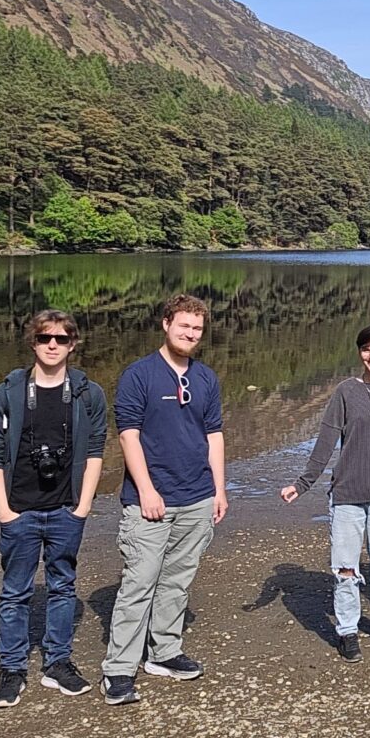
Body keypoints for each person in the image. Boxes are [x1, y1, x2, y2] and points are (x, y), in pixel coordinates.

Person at [101, 294, 228, 705]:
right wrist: (146, 489)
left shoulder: (205, 378)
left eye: (197, 329)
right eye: (184, 325)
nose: (190, 334)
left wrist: (219, 489)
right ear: (166, 324)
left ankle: (164, 652)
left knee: (177, 581)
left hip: (197, 497)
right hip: (150, 501)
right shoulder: (139, 375)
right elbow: (128, 436)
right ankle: (118, 670)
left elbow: (214, 435)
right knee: (139, 582)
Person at [0, 309, 107, 708]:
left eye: (61, 339)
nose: (52, 345)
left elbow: (96, 450)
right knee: (15, 592)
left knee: (62, 586)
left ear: (73, 344)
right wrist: (4, 511)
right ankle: (12, 669)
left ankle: (58, 663)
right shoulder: (7, 393)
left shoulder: (88, 393)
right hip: (19, 509)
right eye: (44, 338)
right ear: (32, 342)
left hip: (66, 508)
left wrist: (83, 506)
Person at [280, 325, 370, 662]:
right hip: (347, 493)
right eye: (366, 349)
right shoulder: (345, 391)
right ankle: (347, 631)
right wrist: (302, 483)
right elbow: (326, 442)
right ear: (360, 352)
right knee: (345, 568)